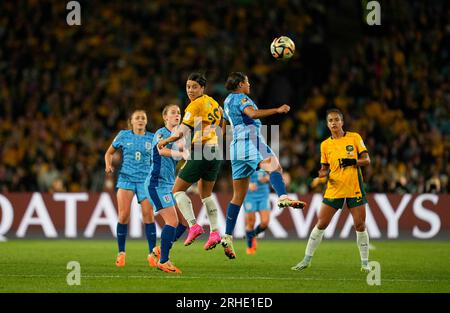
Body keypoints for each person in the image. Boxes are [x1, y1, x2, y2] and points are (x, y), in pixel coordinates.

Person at [221, 72, 306, 259]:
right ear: (241, 84)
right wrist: (277, 110)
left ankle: (227, 236)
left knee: (237, 197)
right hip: (251, 140)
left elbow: (223, 125)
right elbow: (251, 113)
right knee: (276, 168)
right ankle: (283, 196)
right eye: (247, 82)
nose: (249, 84)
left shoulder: (226, 102)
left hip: (235, 147)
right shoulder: (242, 98)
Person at [291, 108, 371, 273]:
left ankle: (365, 263)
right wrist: (321, 176)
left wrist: (352, 162)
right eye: (330, 121)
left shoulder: (354, 137)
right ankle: (306, 260)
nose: (334, 123)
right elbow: (324, 169)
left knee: (360, 225)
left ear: (342, 122)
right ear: (327, 124)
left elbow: (367, 160)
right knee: (321, 224)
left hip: (354, 188)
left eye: (336, 120)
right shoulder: (325, 145)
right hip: (334, 188)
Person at [158, 73, 224, 251]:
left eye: (194, 87)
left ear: (203, 88)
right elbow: (223, 123)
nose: (190, 90)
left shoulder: (195, 105)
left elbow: (182, 131)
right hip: (216, 151)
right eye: (188, 87)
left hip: (202, 150)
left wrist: (166, 141)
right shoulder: (214, 104)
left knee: (177, 190)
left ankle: (193, 225)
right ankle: (215, 232)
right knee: (206, 195)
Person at [104, 109, 159, 268]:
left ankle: (151, 254)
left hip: (145, 181)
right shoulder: (123, 135)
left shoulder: (153, 138)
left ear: (146, 121)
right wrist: (108, 165)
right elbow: (108, 153)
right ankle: (121, 253)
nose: (140, 120)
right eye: (137, 118)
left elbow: (160, 155)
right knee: (123, 216)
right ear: (132, 121)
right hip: (126, 179)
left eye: (143, 117)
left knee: (148, 216)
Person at [145, 104, 189, 273]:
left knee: (184, 223)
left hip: (169, 184)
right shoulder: (162, 133)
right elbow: (161, 150)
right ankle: (164, 260)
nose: (177, 115)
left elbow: (185, 153)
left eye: (179, 112)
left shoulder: (179, 136)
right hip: (156, 183)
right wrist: (181, 154)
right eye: (173, 113)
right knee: (172, 221)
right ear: (165, 118)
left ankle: (159, 251)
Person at [243, 169, 271, 255]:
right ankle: (250, 247)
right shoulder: (244, 160)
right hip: (249, 194)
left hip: (263, 194)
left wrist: (269, 177)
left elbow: (276, 172)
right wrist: (247, 184)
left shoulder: (266, 158)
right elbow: (237, 177)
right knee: (251, 222)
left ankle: (252, 235)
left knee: (265, 222)